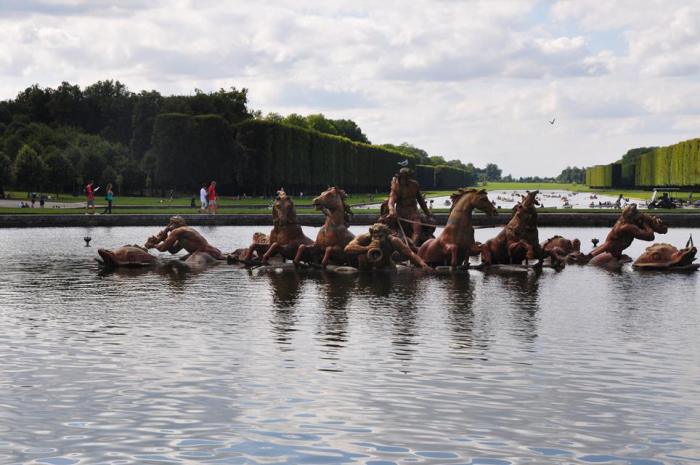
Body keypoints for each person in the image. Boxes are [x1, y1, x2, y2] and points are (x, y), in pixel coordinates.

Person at [345, 223, 433, 272]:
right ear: (371, 235)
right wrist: (366, 248)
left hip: (385, 267)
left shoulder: (394, 240)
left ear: (387, 235)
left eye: (380, 236)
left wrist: (423, 264)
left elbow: (410, 253)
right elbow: (348, 248)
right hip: (366, 268)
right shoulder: (364, 237)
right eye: (375, 236)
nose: (377, 239)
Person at [386, 167, 435, 244]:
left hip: (413, 212)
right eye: (403, 177)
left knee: (417, 228)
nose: (404, 179)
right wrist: (391, 210)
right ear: (400, 176)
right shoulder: (396, 186)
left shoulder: (414, 185)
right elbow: (391, 200)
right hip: (401, 212)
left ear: (409, 177)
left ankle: (413, 245)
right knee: (391, 226)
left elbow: (420, 200)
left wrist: (427, 213)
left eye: (407, 177)